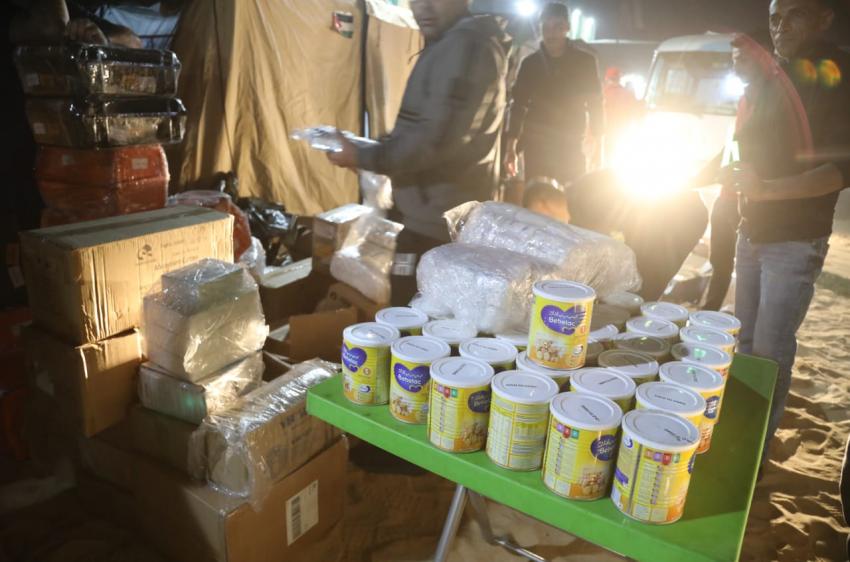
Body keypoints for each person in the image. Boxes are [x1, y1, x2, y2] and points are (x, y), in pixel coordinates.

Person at [728, 0, 850, 464]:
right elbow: (744, 147)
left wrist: (766, 190)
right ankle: (739, 437)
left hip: (796, 241)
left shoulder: (837, 74)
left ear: (824, 18)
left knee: (770, 351)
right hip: (751, 231)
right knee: (743, 343)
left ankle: (754, 454)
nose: (781, 27)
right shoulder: (773, 75)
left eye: (795, 14)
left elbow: (839, 170)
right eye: (775, 18)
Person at [328, 0, 508, 306]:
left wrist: (363, 156)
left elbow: (434, 141)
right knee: (412, 307)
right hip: (430, 218)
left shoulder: (465, 46)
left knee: (412, 313)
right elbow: (421, 129)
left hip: (437, 227)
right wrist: (365, 149)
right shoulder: (452, 42)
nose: (422, 7)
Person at [503, 2, 602, 185]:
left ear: (567, 28)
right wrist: (511, 147)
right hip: (537, 147)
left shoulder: (585, 62)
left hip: (571, 144)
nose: (551, 33)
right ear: (540, 29)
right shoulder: (530, 64)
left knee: (572, 195)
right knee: (537, 197)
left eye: (557, 26)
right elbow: (518, 105)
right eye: (546, 27)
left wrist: (598, 144)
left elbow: (595, 104)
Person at [601, 66, 641, 164]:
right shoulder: (627, 93)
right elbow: (636, 110)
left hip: (607, 129)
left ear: (606, 78)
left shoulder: (603, 92)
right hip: (623, 129)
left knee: (607, 155)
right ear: (619, 78)